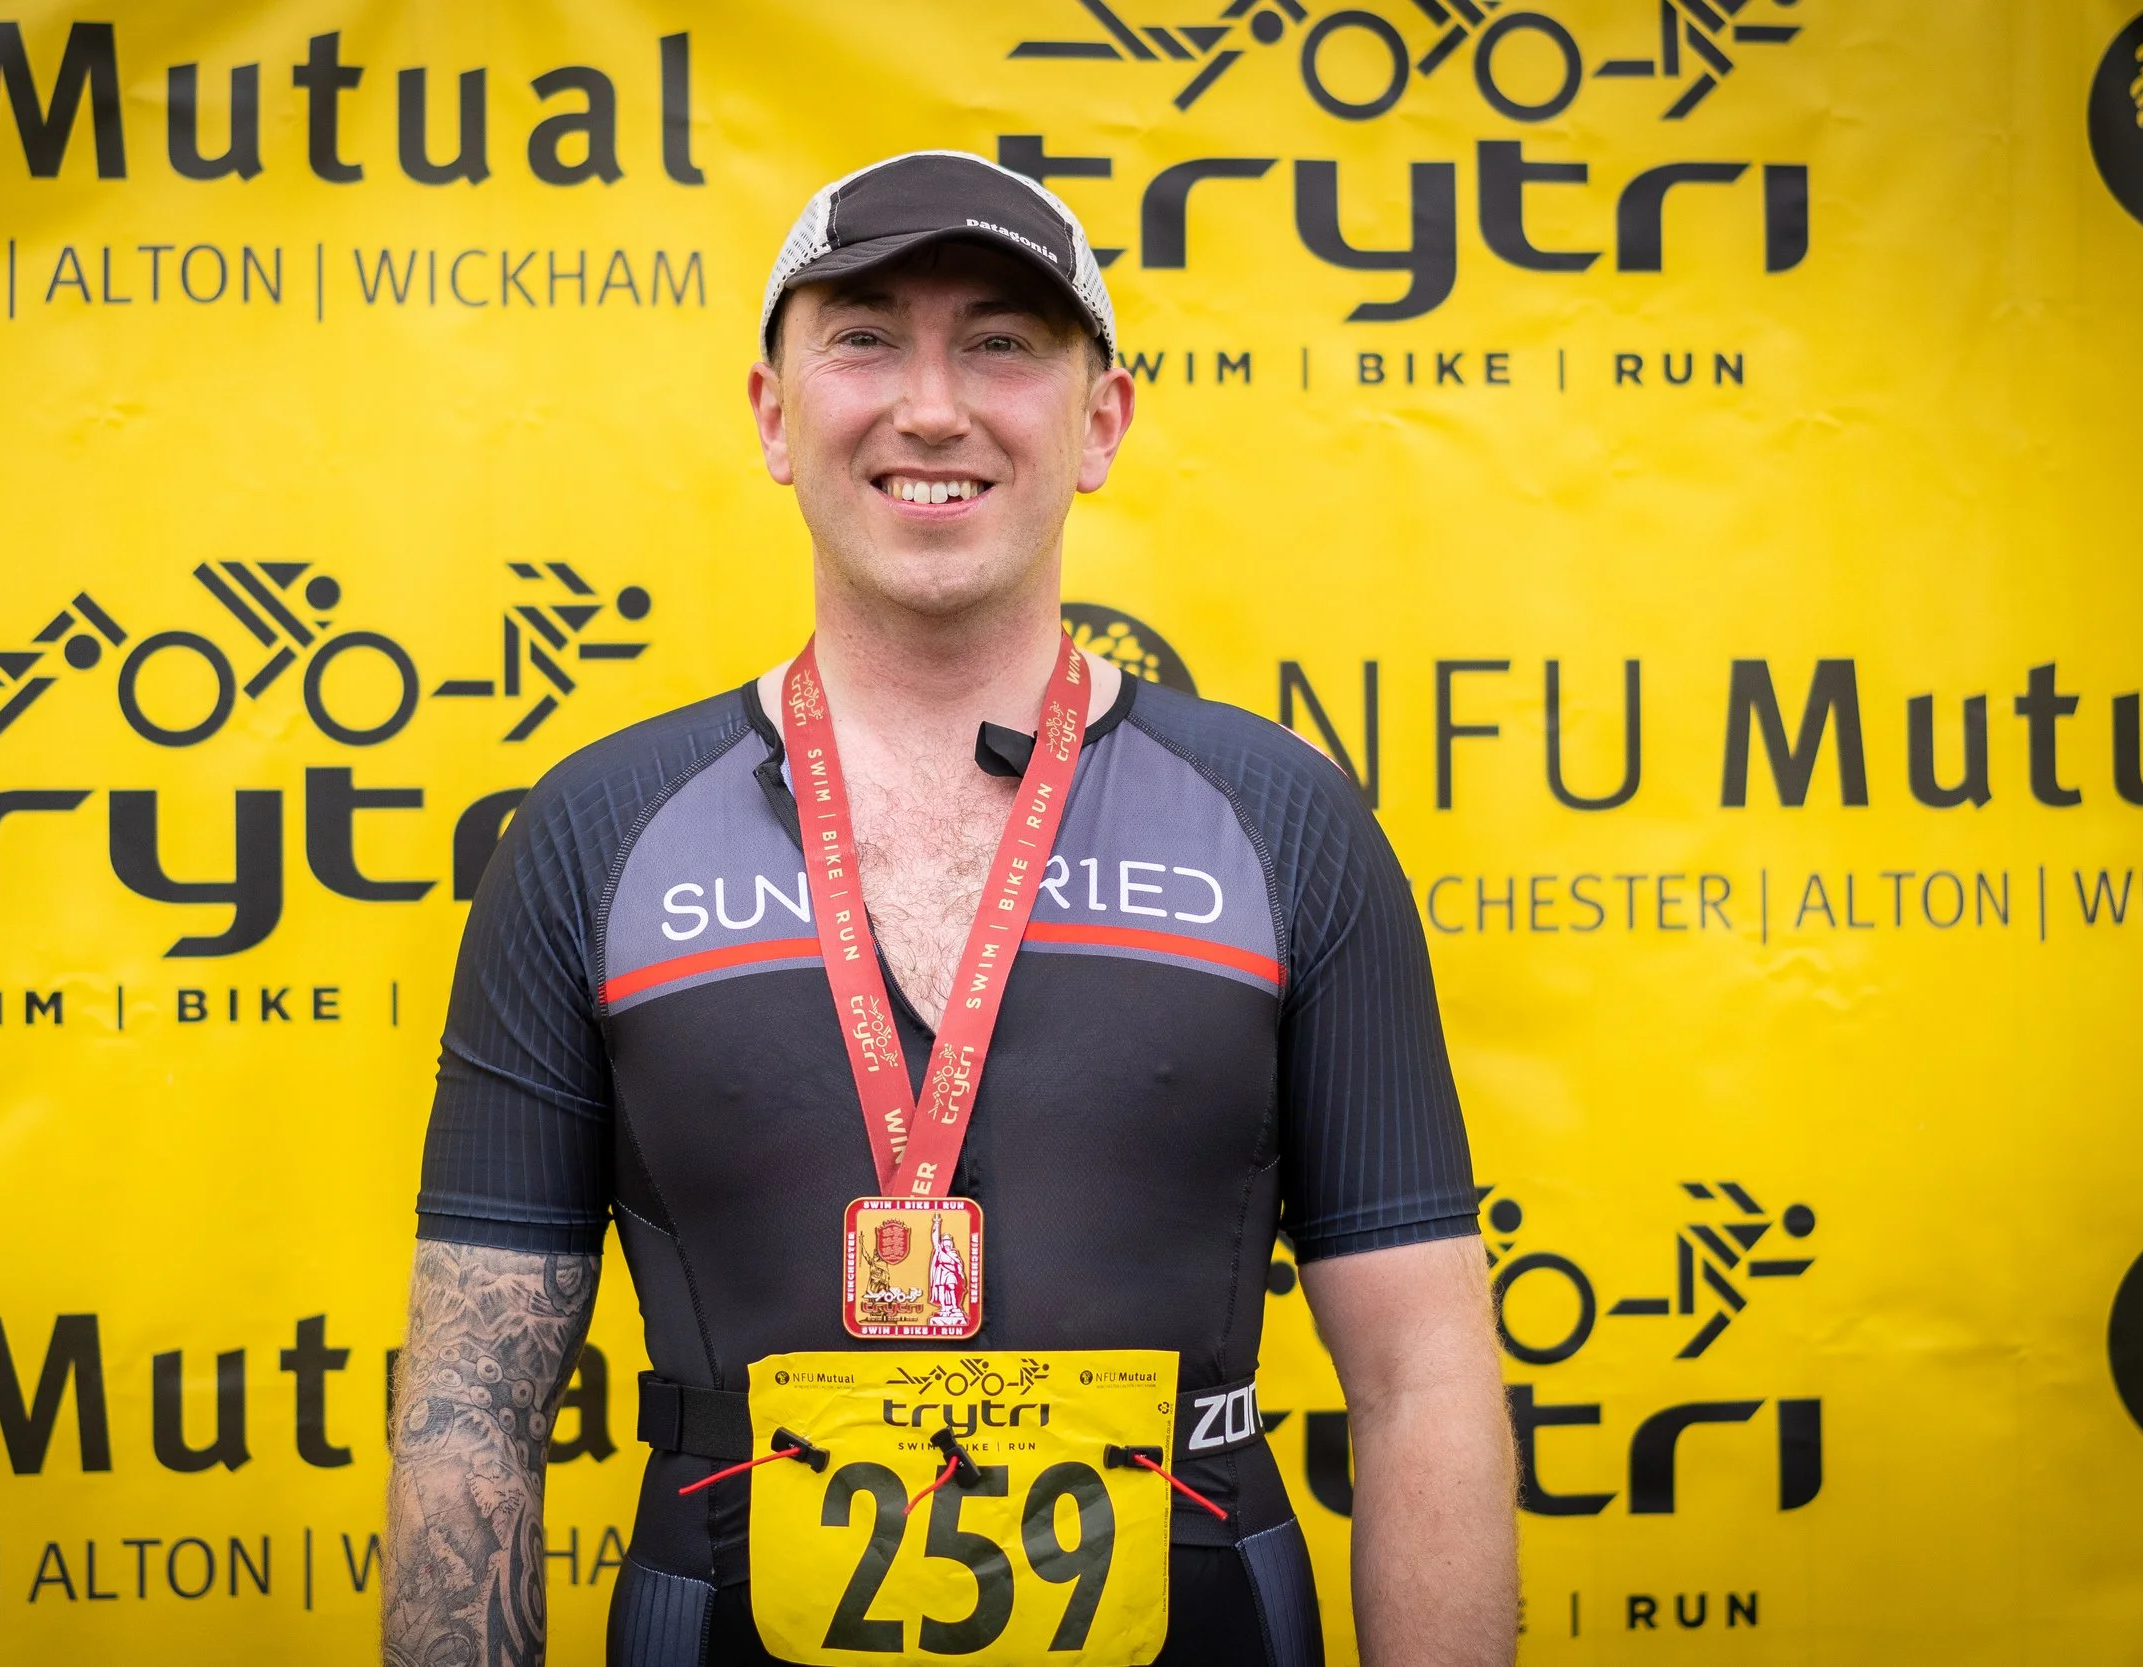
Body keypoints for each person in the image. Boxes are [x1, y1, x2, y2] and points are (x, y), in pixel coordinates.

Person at [385, 150, 1516, 1667]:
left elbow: (1423, 1377)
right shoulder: (595, 832)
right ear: (774, 416)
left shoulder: (1285, 819)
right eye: (864, 335)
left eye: (1000, 341)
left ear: (1102, 421)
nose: (932, 405)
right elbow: (470, 1406)